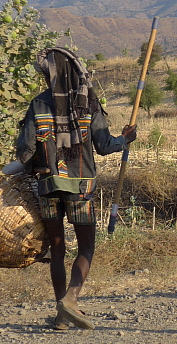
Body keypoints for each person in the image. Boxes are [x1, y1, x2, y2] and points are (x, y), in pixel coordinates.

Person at [15, 47, 137, 329]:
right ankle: (71, 299)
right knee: (87, 246)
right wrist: (125, 138)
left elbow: (24, 151)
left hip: (47, 188)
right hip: (80, 189)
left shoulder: (38, 105)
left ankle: (61, 316)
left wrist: (33, 160)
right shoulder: (89, 105)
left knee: (57, 248)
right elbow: (105, 146)